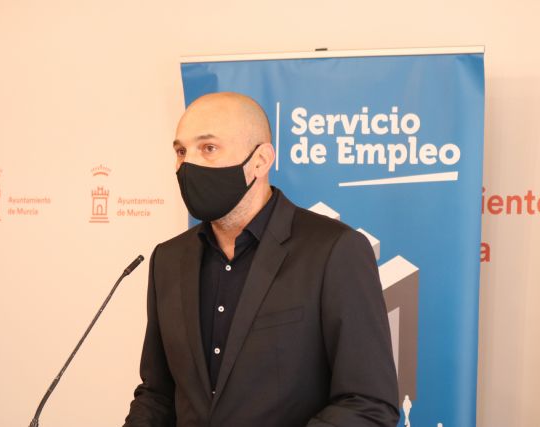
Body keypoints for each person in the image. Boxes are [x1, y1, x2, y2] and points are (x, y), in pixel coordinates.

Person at [124, 92, 399, 426]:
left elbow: (368, 404)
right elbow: (158, 395)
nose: (188, 165)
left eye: (208, 148)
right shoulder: (167, 259)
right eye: (181, 151)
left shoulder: (335, 251)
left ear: (261, 160)